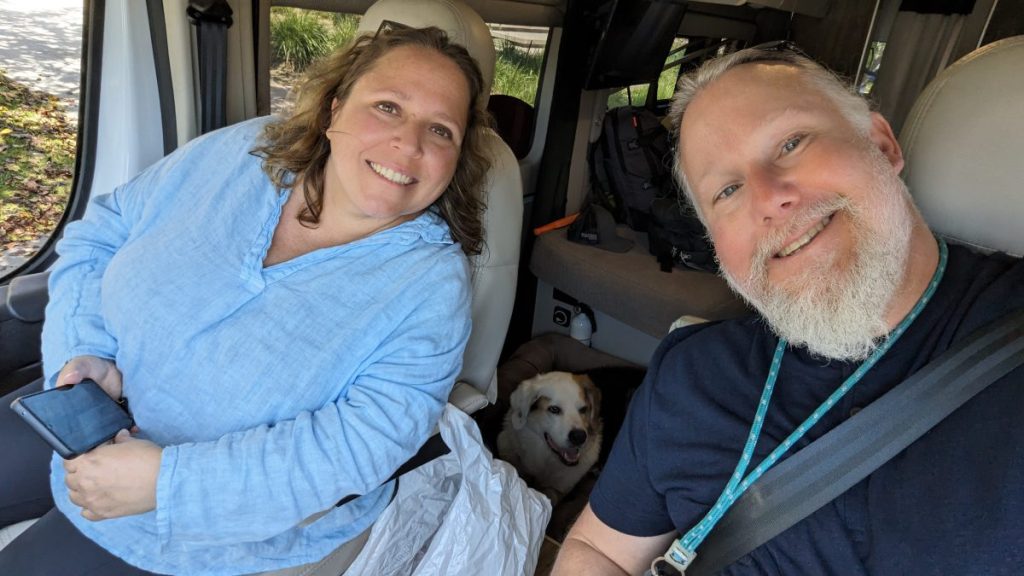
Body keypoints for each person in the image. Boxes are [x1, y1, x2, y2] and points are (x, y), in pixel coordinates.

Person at [0, 25, 492, 575]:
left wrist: (170, 484)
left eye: (441, 130)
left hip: (208, 529)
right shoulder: (247, 150)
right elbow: (104, 231)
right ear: (334, 111)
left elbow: (362, 443)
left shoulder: (431, 285)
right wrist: (86, 353)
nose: (410, 144)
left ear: (456, 158)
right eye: (387, 106)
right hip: (78, 412)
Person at [553, 44, 1024, 575]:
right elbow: (597, 551)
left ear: (881, 145)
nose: (768, 199)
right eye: (727, 190)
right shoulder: (690, 377)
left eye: (791, 143)